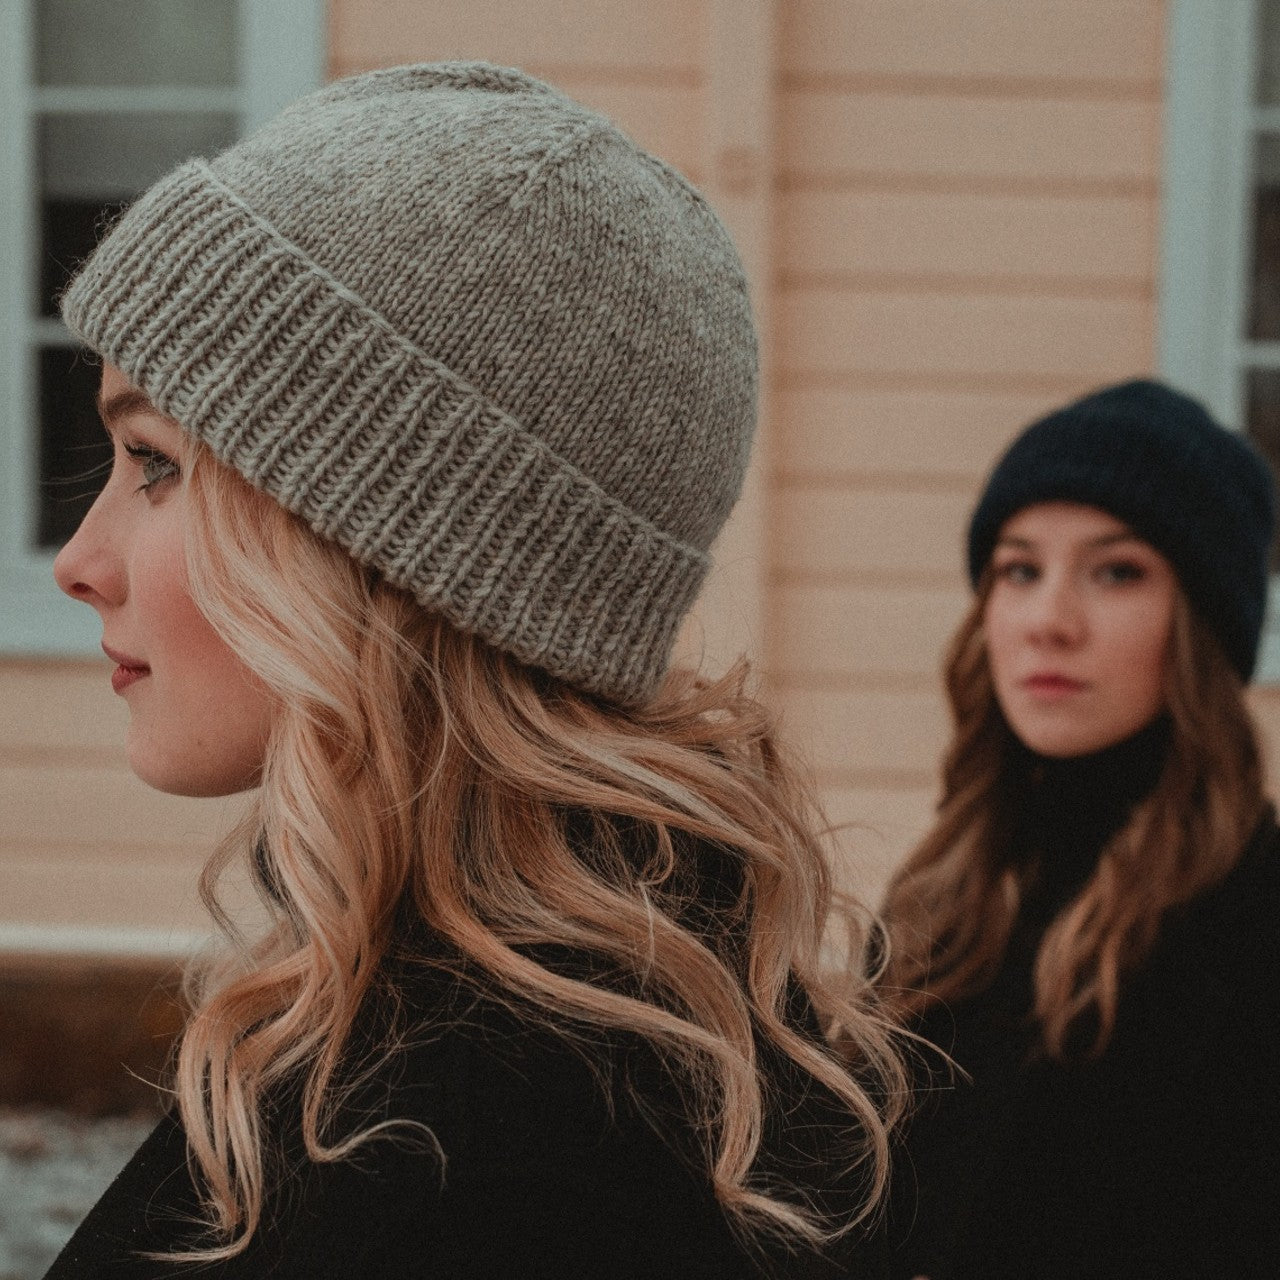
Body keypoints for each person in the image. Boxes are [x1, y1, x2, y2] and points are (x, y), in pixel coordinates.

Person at [43, 63, 906, 1279]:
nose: (79, 561)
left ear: (390, 546)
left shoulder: (470, 1150)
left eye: (156, 462)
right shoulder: (585, 1041)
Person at [881, 378, 1280, 1280]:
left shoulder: (1251, 920)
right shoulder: (943, 898)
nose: (1049, 623)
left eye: (1117, 572)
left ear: (1201, 623)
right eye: (1020, 570)